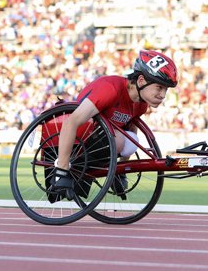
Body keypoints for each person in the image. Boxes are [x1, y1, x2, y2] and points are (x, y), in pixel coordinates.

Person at [48, 50, 178, 202]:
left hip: (103, 141)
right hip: (80, 138)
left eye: (166, 90)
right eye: (159, 87)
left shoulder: (141, 105)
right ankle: (63, 170)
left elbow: (131, 132)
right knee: (120, 140)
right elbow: (71, 122)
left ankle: (115, 173)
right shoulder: (110, 89)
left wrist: (121, 169)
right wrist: (61, 170)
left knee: (131, 140)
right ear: (141, 80)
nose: (163, 95)